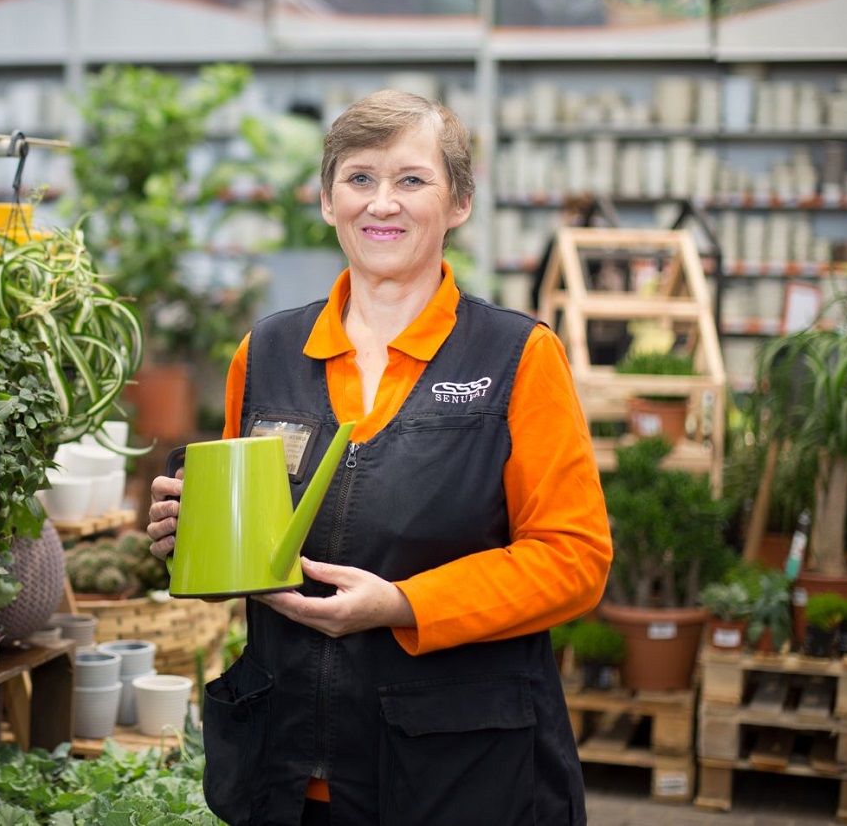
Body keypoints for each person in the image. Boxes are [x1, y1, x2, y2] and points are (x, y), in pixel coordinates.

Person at [147, 90, 612, 826]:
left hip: (458, 776)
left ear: (458, 202)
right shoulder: (265, 351)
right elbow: (252, 552)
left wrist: (403, 604)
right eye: (359, 178)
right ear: (328, 201)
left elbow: (574, 559)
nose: (381, 203)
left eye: (411, 179)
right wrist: (194, 547)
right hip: (290, 777)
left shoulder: (518, 356)